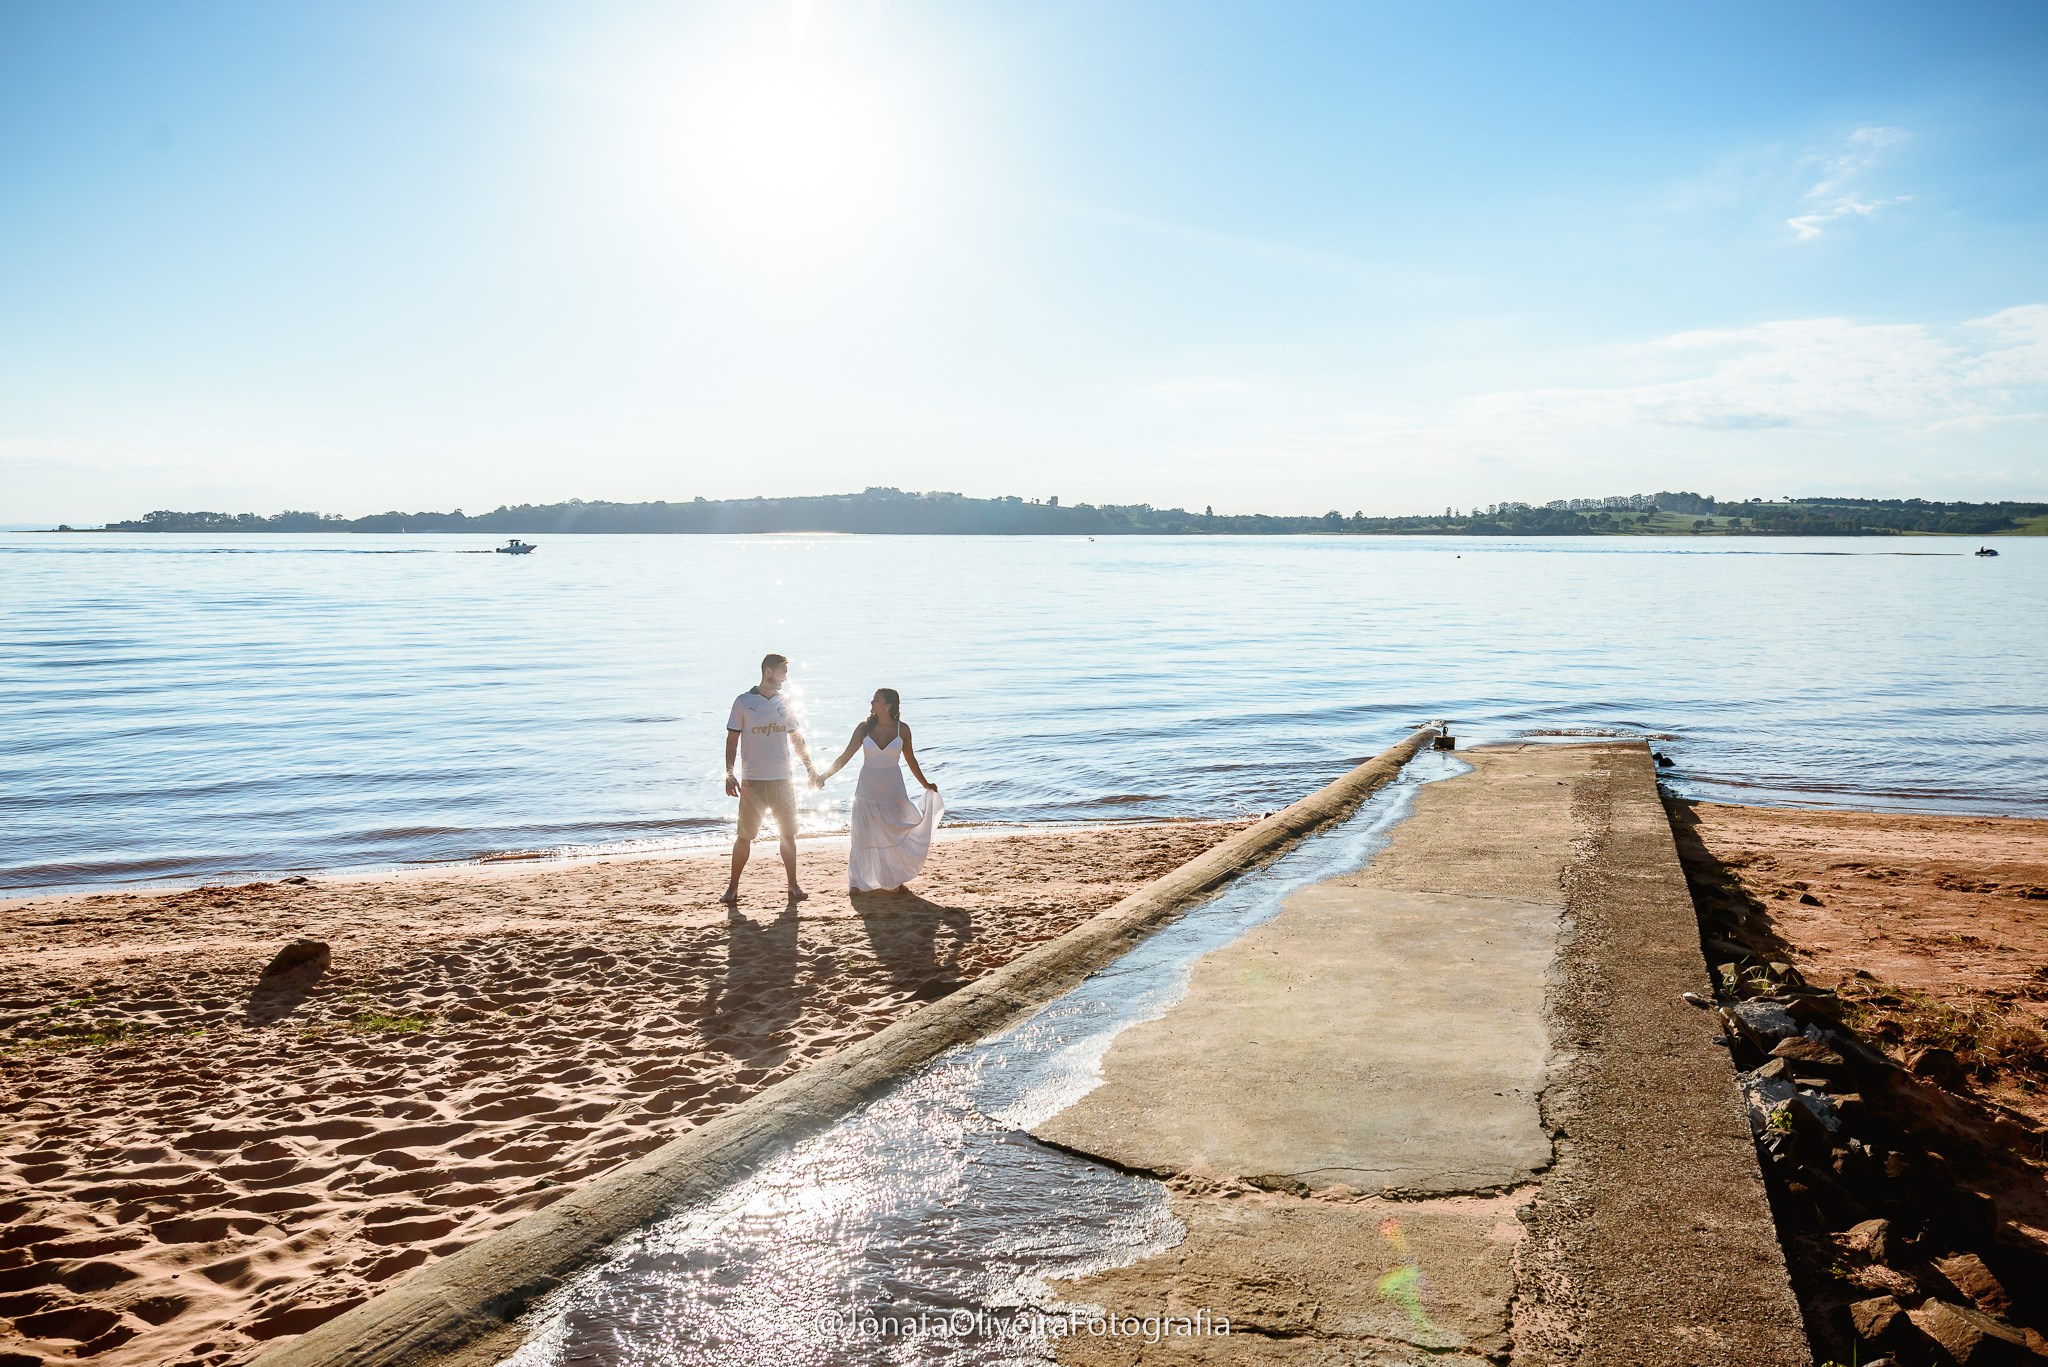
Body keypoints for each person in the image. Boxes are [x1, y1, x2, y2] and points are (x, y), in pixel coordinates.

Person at [815, 687, 943, 893]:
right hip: (868, 789)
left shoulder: (903, 729)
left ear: (888, 706)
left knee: (892, 833)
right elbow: (845, 756)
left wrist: (926, 785)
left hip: (893, 789)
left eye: (876, 700)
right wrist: (824, 776)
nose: (872, 703)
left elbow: (911, 760)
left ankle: (894, 878)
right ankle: (858, 881)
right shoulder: (864, 728)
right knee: (864, 834)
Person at [721, 654, 819, 905]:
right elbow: (732, 740)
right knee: (744, 836)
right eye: (782, 672)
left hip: (783, 780)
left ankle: (793, 885)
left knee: (788, 834)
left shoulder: (784, 702)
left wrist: (809, 768)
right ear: (768, 672)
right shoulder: (743, 702)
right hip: (752, 781)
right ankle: (732, 888)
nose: (785, 678)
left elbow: (797, 739)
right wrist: (729, 773)